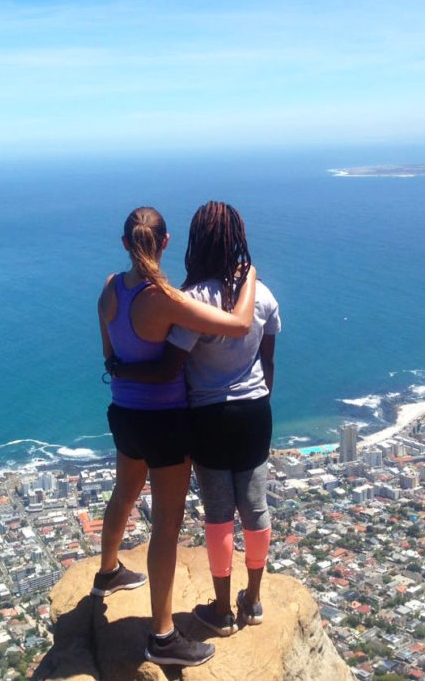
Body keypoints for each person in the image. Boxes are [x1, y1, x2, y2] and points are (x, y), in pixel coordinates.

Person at [96, 206, 257, 667]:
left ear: (124, 243)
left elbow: (111, 358)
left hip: (124, 414)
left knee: (124, 492)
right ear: (166, 243)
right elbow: (240, 324)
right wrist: (246, 279)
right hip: (165, 421)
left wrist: (126, 369)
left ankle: (108, 572)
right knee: (166, 525)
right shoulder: (165, 297)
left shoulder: (110, 289)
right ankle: (163, 637)